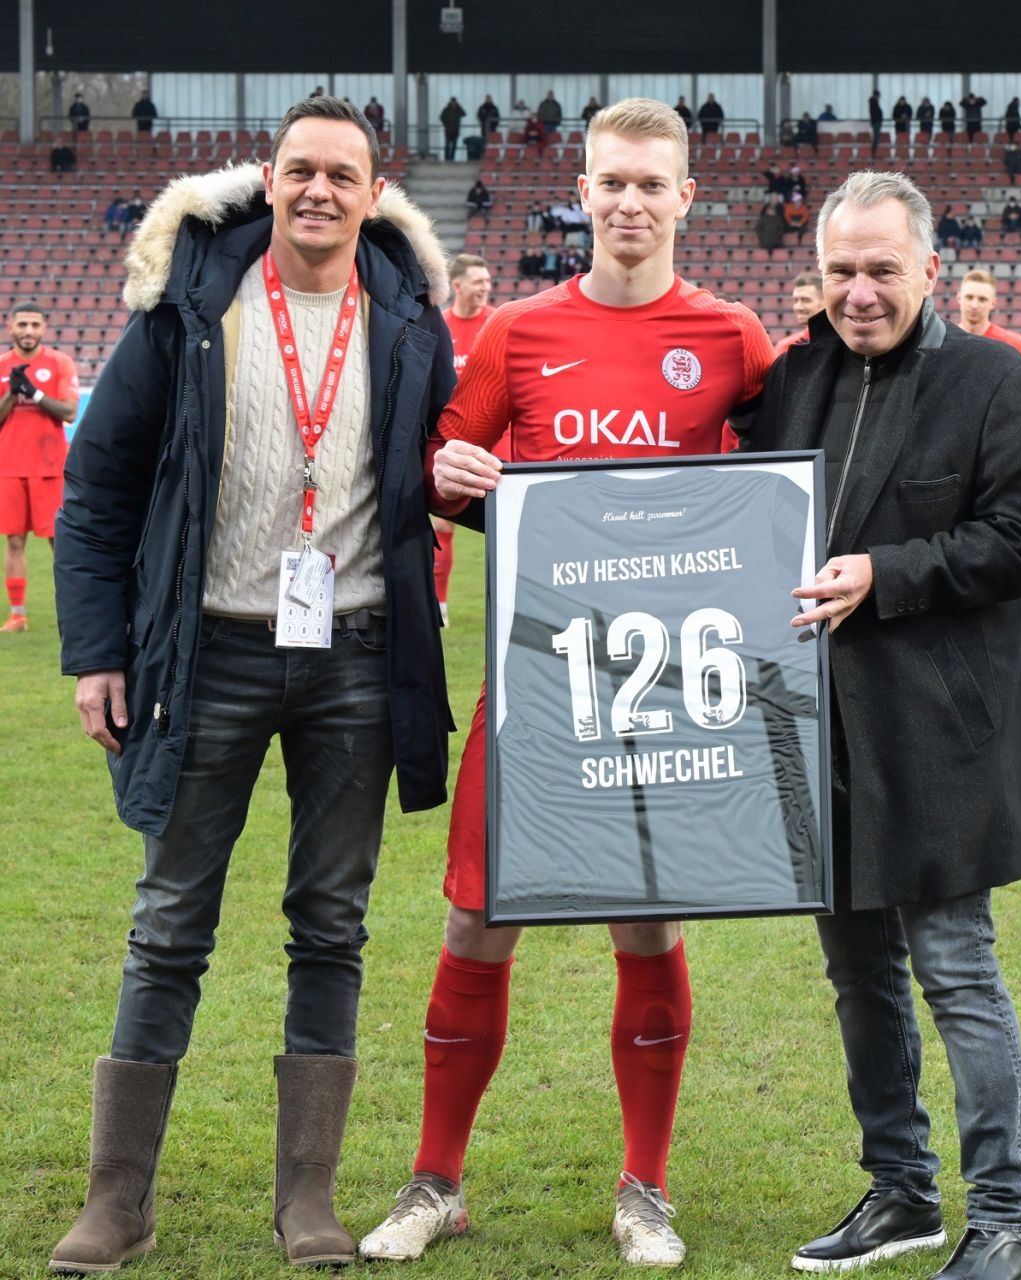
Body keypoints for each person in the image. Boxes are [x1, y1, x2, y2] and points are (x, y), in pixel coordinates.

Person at [353, 98, 773, 1270]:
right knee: (478, 917)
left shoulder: (733, 338)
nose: (630, 202)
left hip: (664, 691)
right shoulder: (520, 332)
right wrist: (448, 469)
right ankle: (437, 1180)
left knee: (649, 919)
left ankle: (645, 1187)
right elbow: (442, 466)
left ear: (687, 198)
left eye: (651, 183)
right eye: (611, 183)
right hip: (536, 681)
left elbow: (785, 477)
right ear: (580, 193)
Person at [47, 95, 455, 1272]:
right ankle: (117, 1200)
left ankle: (307, 1199)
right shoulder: (185, 310)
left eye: (343, 173)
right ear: (267, 180)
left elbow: (448, 470)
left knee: (331, 921)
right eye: (300, 169)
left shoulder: (413, 321)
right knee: (170, 920)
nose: (319, 189)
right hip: (206, 651)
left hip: (357, 655)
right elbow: (97, 492)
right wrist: (97, 652)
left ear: (375, 192)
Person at [734, 168, 1021, 1280]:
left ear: (931, 268)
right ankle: (903, 1191)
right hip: (817, 728)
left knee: (956, 968)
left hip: (940, 730)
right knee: (857, 973)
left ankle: (1011, 1220)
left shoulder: (996, 381)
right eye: (841, 270)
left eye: (882, 269)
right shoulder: (792, 380)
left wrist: (888, 571)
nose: (861, 292)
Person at [1, 304, 79, 632]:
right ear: (10, 327)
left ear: (44, 327)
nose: (28, 331)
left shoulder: (59, 362)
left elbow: (69, 412)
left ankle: (76, 613)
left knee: (60, 542)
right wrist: (12, 393)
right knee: (14, 541)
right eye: (22, 324)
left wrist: (33, 392)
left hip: (50, 467)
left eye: (35, 324)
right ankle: (18, 615)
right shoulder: (2, 366)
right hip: (9, 466)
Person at [430, 254, 494, 625]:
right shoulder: (441, 327)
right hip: (455, 444)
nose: (486, 287)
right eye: (478, 281)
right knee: (443, 526)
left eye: (487, 281)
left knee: (507, 535)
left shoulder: (496, 324)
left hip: (499, 448)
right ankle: (440, 605)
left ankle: (509, 606)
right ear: (457, 286)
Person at [954, 269, 1021, 388]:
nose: (974, 305)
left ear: (993, 303)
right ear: (959, 298)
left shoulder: (1011, 342)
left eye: (982, 299)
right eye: (969, 297)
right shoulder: (946, 341)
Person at [773, 270, 823, 357]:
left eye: (806, 300)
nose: (798, 307)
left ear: (826, 302)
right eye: (796, 300)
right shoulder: (786, 347)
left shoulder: (844, 343)